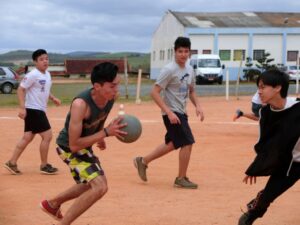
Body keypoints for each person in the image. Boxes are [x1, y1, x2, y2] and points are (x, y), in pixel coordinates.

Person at [39, 62, 127, 225]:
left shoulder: (110, 97)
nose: (116, 90)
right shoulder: (80, 105)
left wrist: (99, 136)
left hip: (83, 147)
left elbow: (101, 116)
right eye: (112, 86)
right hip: (68, 148)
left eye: (117, 85)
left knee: (90, 185)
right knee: (99, 186)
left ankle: (52, 204)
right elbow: (74, 145)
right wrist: (106, 133)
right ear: (97, 86)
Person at [133, 36, 204, 189]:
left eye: (186, 51)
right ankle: (181, 178)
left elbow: (191, 91)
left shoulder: (190, 69)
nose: (183, 54)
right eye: (180, 51)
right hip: (172, 113)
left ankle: (143, 161)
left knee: (172, 143)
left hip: (182, 112)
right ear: (175, 52)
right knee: (187, 142)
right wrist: (169, 112)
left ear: (190, 53)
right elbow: (155, 92)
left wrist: (198, 105)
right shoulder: (169, 69)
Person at [238, 69, 300, 225]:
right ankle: (252, 213)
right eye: (258, 87)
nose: (259, 92)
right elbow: (266, 144)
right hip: (289, 164)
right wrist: (256, 167)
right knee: (267, 196)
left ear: (278, 88)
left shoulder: (298, 108)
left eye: (262, 87)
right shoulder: (265, 114)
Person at [4, 49, 61, 175]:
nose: (45, 61)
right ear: (35, 62)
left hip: (38, 109)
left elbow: (44, 90)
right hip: (33, 109)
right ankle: (44, 165)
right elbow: (20, 89)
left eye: (46, 58)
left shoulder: (47, 74)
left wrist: (53, 98)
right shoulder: (32, 75)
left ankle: (12, 162)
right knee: (47, 136)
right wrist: (22, 108)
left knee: (27, 137)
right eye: (41, 59)